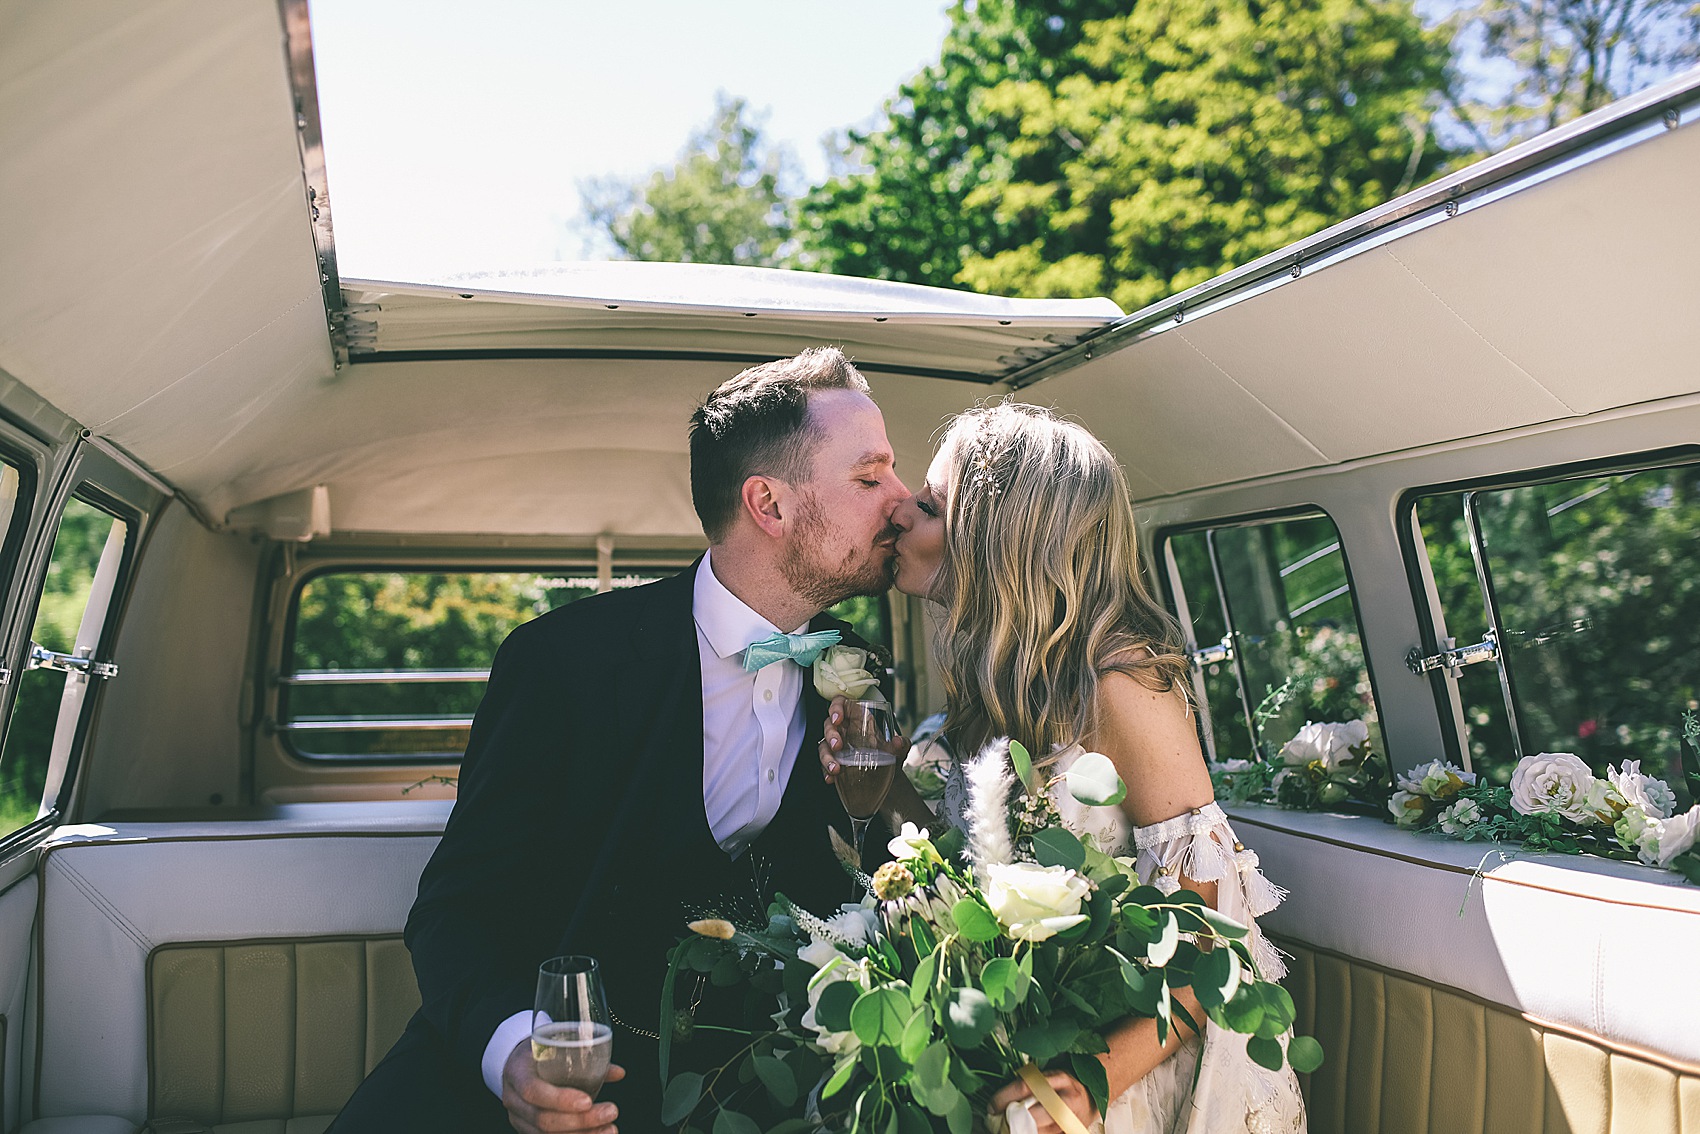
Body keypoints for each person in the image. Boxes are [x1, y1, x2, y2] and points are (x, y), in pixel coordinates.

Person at [329, 347, 910, 1134]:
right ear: (768, 504)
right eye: (871, 479)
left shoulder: (855, 666)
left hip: (734, 1092)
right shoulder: (562, 663)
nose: (904, 503)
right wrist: (512, 1056)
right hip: (533, 1083)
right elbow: (456, 910)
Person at [821, 402, 1305, 1134]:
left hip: (1126, 1071)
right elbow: (970, 879)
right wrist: (885, 782)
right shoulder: (998, 688)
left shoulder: (1122, 683)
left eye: (930, 505)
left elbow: (1208, 934)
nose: (899, 515)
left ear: (997, 536)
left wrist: (1090, 1085)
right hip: (1037, 1045)